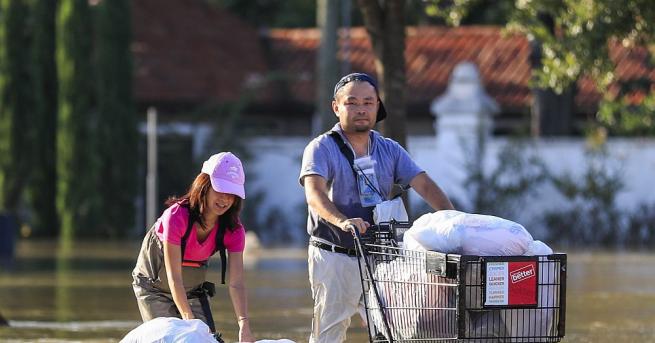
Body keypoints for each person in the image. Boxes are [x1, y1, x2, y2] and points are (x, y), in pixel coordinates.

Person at [299, 72, 455, 342]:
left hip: (381, 257)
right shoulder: (321, 148)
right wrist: (343, 221)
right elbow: (314, 194)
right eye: (352, 102)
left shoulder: (389, 149)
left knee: (391, 332)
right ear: (336, 107)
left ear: (378, 106)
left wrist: (455, 222)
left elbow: (425, 186)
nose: (361, 109)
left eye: (368, 102)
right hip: (334, 255)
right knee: (329, 333)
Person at [131, 152, 255, 342]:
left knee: (208, 339)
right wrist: (189, 322)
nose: (225, 199)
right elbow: (174, 278)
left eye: (232, 194)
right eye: (220, 190)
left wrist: (244, 325)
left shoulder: (234, 229)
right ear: (204, 185)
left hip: (192, 290)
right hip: (153, 287)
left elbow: (236, 283)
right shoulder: (176, 217)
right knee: (176, 338)